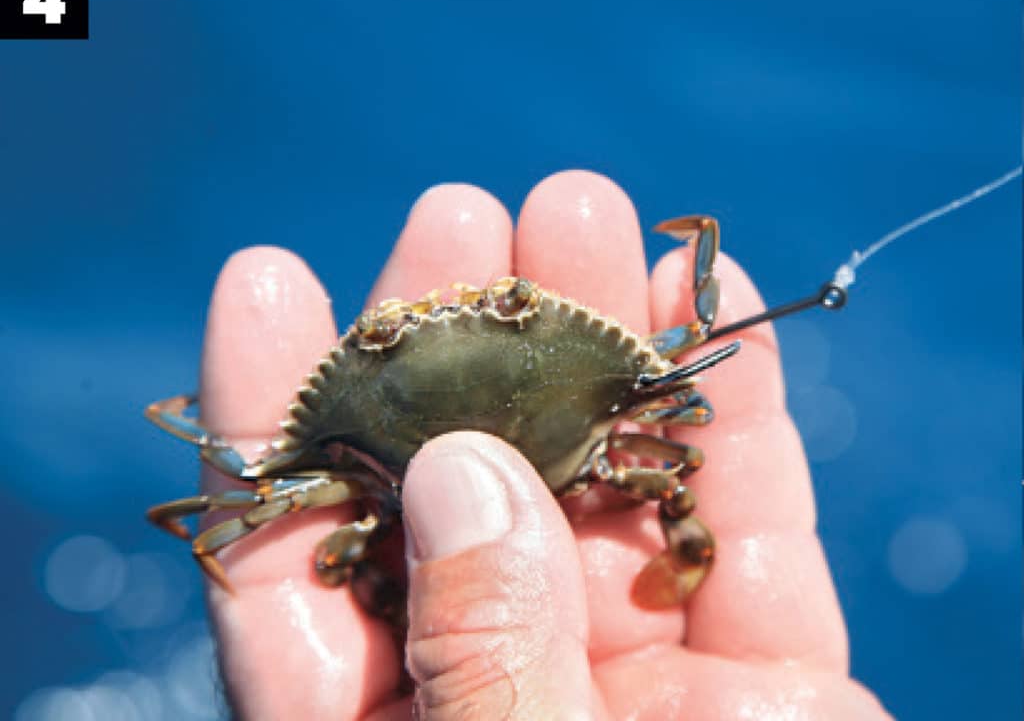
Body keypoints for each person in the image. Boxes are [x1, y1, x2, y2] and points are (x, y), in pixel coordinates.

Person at [196, 171, 892, 719]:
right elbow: (692, 342)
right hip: (574, 483)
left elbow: (244, 482)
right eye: (384, 342)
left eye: (514, 310)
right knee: (680, 471)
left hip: (393, 534)